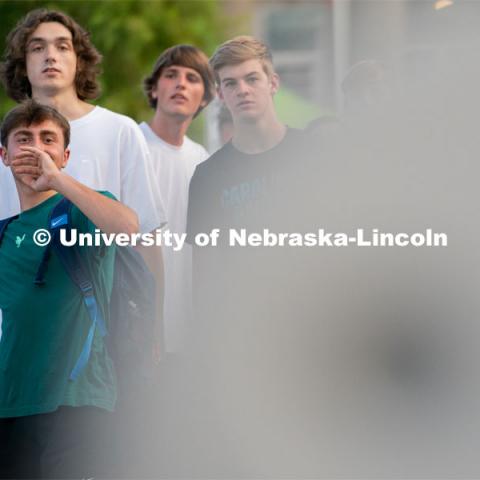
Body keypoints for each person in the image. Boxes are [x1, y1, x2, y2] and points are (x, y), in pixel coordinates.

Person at [0, 8, 165, 348]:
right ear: (22, 63)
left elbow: (145, 238)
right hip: (16, 333)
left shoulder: (119, 131)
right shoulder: (5, 143)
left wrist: (153, 333)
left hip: (103, 331)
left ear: (79, 61)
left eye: (62, 46)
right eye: (37, 47)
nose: (50, 55)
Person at [0, 100, 138, 479]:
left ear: (65, 155)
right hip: (11, 399)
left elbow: (128, 228)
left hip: (77, 398)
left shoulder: (82, 211)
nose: (36, 148)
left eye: (48, 140)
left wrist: (58, 181)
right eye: (23, 139)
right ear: (5, 154)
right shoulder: (4, 232)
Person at [140, 45, 214, 353]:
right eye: (171, 75)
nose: (180, 83)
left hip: (188, 329)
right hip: (134, 322)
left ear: (206, 98)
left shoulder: (205, 161)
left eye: (192, 77)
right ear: (155, 89)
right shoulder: (130, 143)